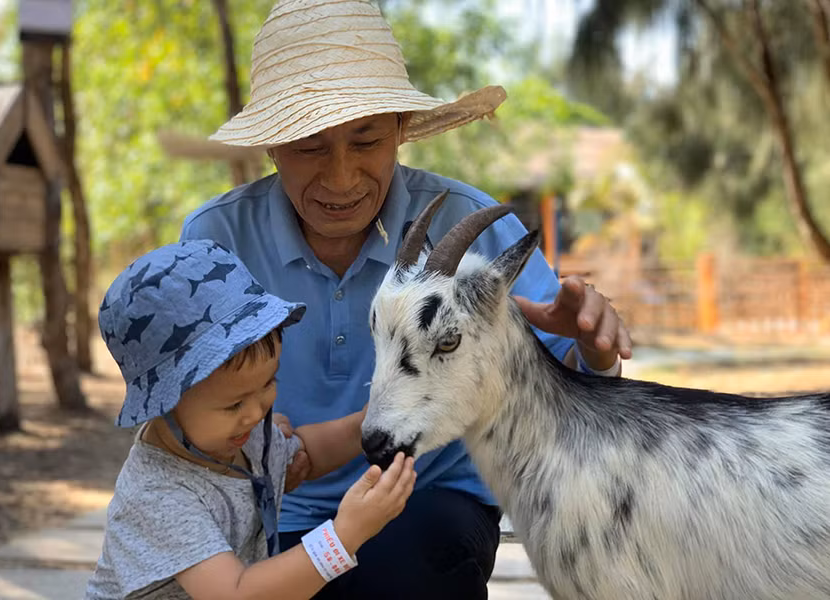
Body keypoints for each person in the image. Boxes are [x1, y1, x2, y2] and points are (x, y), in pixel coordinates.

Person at [180, 1, 634, 597]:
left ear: (400, 129)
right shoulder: (214, 243)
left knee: (410, 566)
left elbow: (565, 394)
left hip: (426, 502)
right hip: (267, 512)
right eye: (310, 147)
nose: (341, 178)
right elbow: (180, 408)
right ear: (271, 146)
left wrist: (593, 351)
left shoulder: (472, 226)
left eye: (366, 140)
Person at [85, 239, 416, 599]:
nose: (257, 413)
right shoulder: (158, 495)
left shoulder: (236, 436)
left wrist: (365, 425)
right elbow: (236, 594)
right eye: (234, 404)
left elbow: (304, 455)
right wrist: (344, 536)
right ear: (166, 402)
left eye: (268, 383)